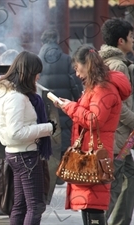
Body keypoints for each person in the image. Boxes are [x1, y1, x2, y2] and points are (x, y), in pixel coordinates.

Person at [56, 45, 131, 225]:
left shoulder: (103, 89)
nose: (76, 73)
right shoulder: (97, 86)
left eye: (76, 68)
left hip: (94, 157)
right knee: (90, 207)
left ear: (86, 65)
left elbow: (94, 120)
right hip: (90, 155)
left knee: (94, 208)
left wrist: (70, 107)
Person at [0, 51, 56, 225]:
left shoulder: (7, 93)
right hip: (25, 155)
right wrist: (48, 128)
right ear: (27, 73)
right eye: (36, 73)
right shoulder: (16, 98)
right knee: (35, 206)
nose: (38, 77)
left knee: (20, 205)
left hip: (16, 154)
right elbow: (16, 133)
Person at [99, 18, 134, 225]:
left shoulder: (104, 62)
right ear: (121, 41)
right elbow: (117, 106)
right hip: (118, 135)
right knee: (113, 187)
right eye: (131, 37)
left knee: (128, 179)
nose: (133, 40)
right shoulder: (117, 66)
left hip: (118, 135)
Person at [37, 29, 83, 186]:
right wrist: (78, 102)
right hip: (64, 108)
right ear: (57, 41)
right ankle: (61, 173)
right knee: (63, 139)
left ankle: (47, 175)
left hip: (42, 109)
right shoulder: (66, 60)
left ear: (42, 43)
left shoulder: (36, 60)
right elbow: (76, 86)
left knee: (45, 138)